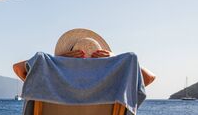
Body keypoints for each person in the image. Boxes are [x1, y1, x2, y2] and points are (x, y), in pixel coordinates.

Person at [13, 28, 156, 86]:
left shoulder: (53, 84)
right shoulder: (111, 85)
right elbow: (149, 77)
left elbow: (18, 68)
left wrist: (58, 61)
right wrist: (116, 59)